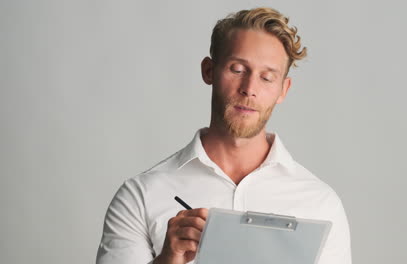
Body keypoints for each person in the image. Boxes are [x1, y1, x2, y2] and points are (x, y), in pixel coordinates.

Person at [96, 7, 352, 264]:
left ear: (282, 90)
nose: (249, 89)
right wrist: (167, 260)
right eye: (237, 69)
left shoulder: (320, 204)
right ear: (209, 71)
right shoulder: (140, 196)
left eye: (266, 77)